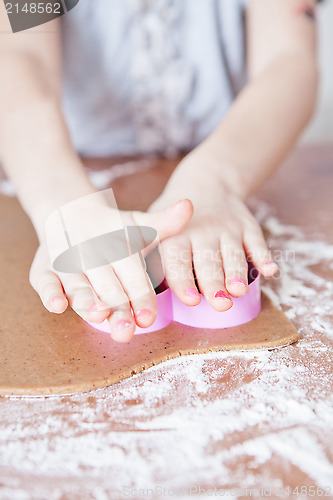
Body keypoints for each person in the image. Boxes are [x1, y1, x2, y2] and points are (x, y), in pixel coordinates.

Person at [0, 0, 319, 343]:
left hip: (235, 155)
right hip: (68, 163)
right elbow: (20, 57)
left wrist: (216, 179)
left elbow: (287, 60)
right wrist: (62, 202)